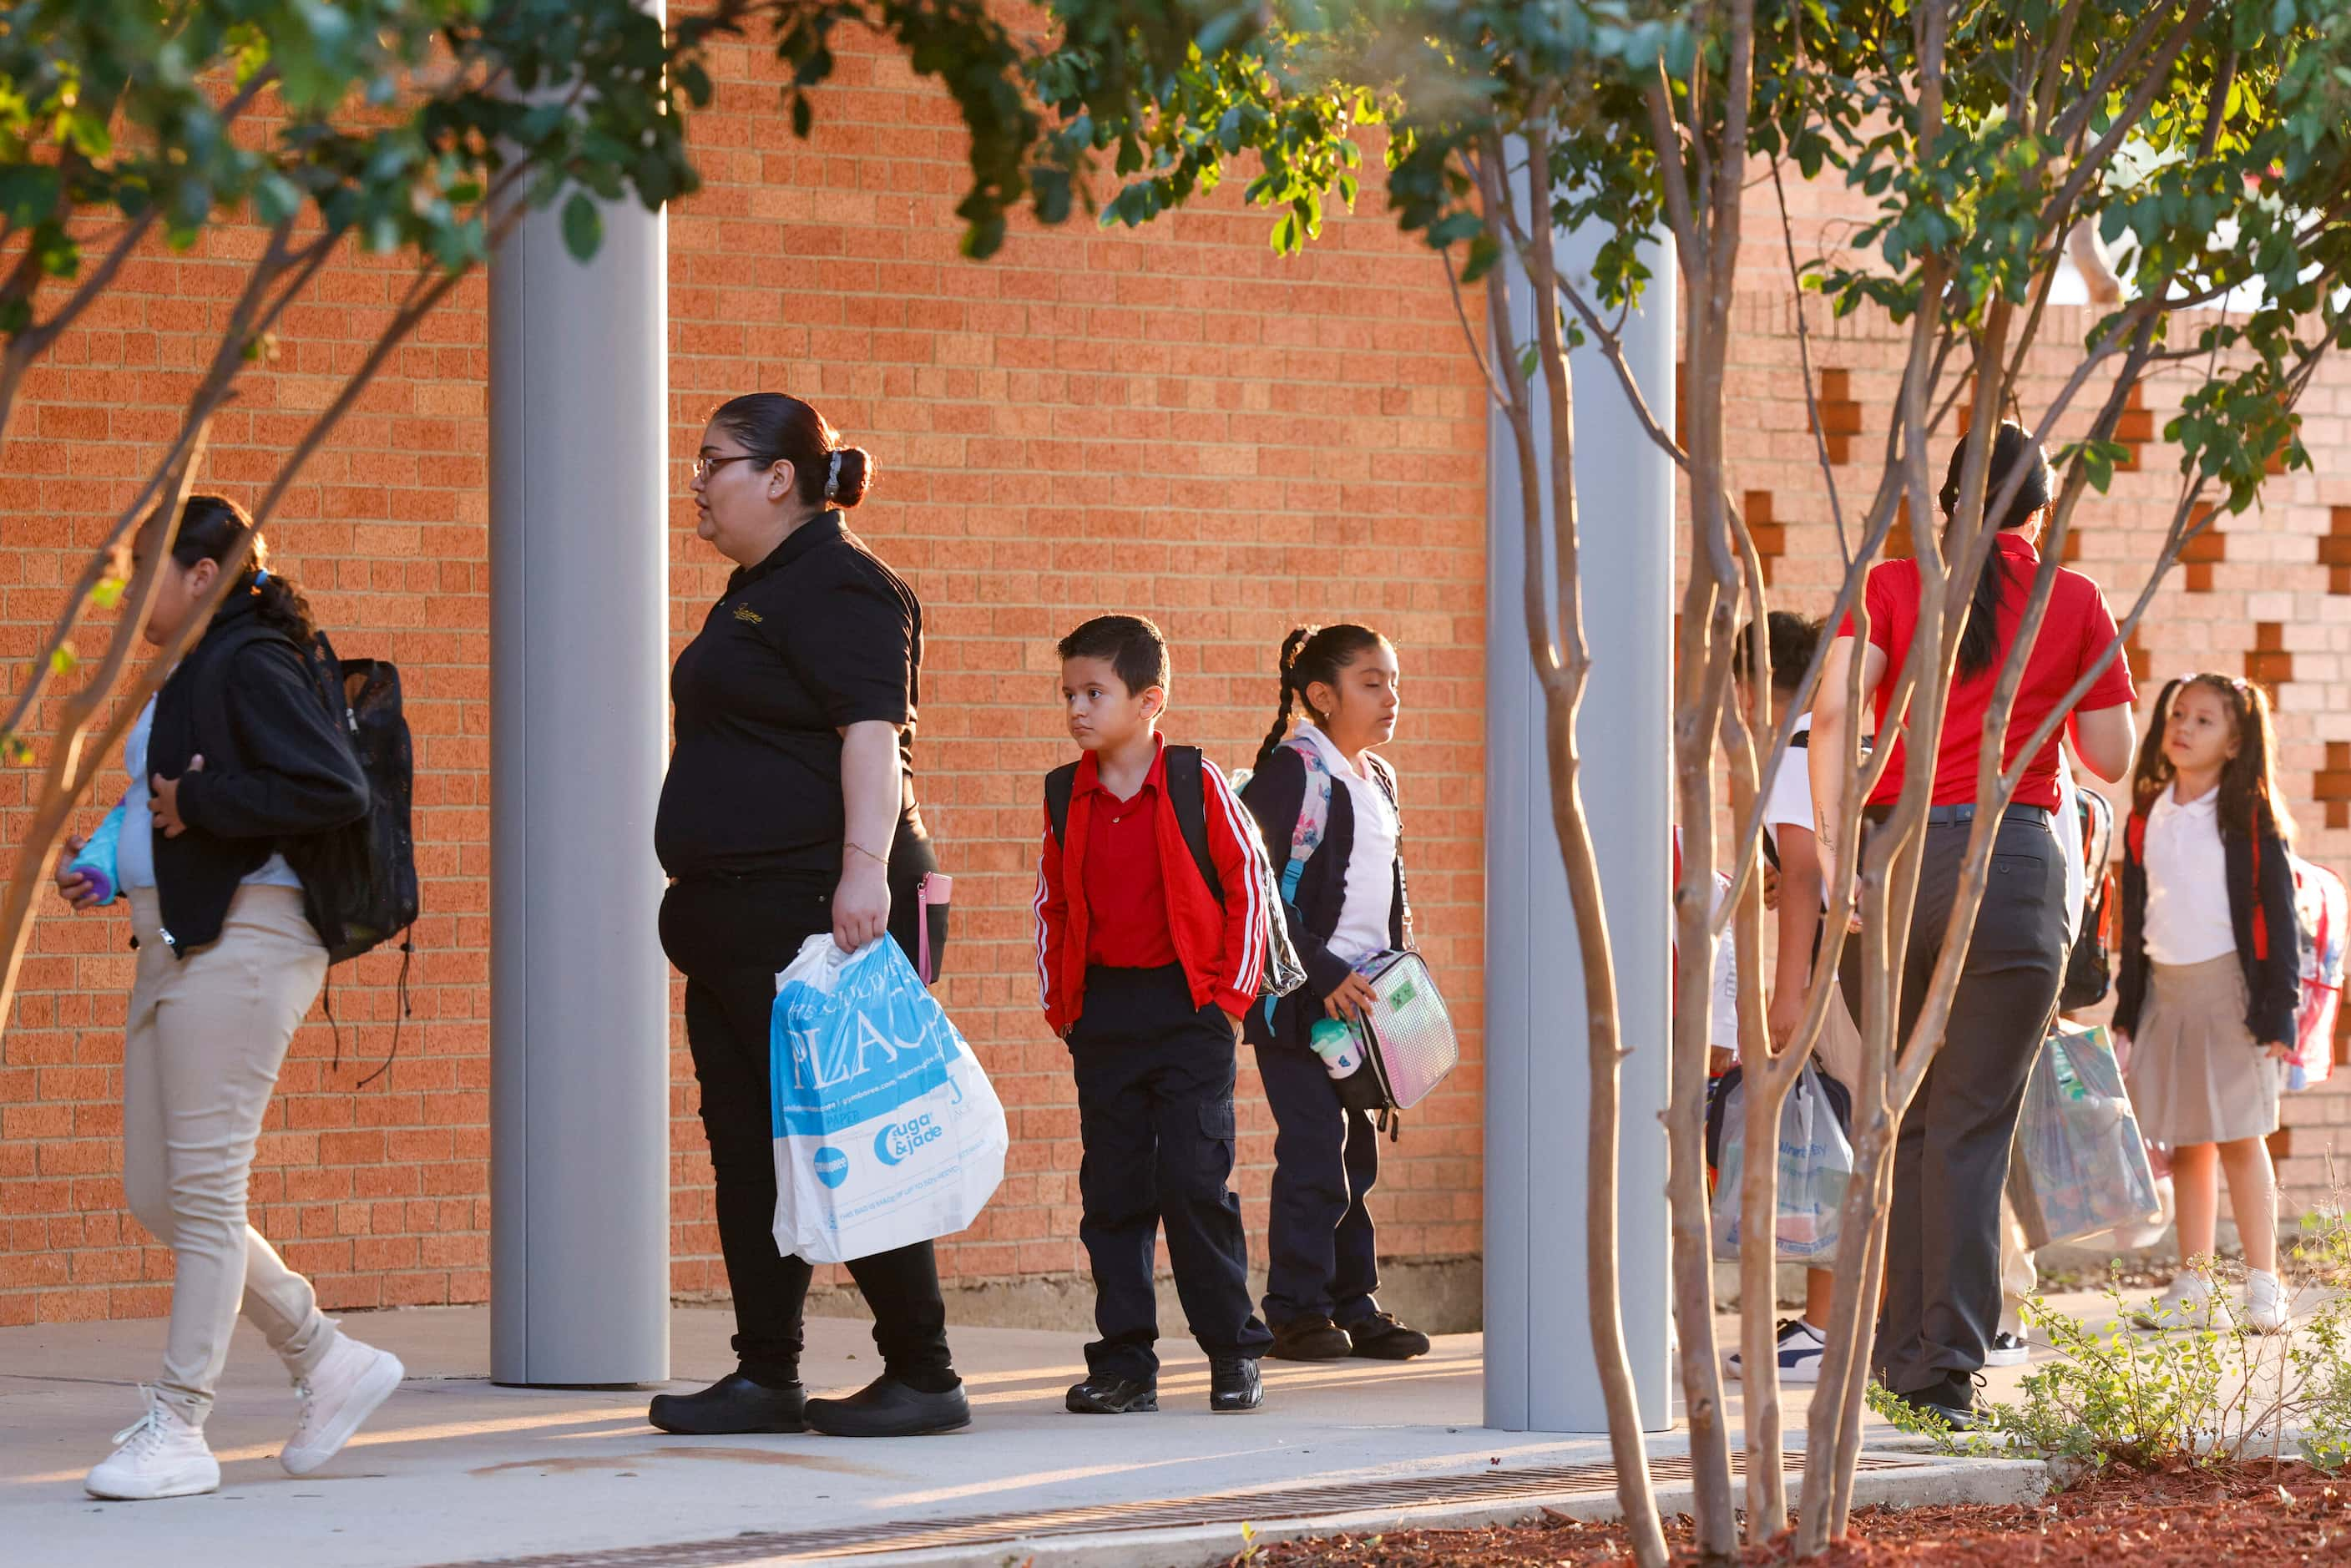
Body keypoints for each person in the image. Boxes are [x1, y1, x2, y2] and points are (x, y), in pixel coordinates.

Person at [54, 496, 398, 1500]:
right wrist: (105, 862)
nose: (126, 590)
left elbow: (333, 787)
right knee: (158, 1191)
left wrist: (194, 807)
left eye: (141, 568)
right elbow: (152, 798)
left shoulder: (250, 658)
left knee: (203, 1188)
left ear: (202, 573)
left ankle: (180, 1426)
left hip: (249, 938)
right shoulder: (195, 666)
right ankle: (328, 1357)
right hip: (181, 936)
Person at [651, 392, 968, 1439]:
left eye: (713, 462)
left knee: (850, 1133)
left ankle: (924, 1374)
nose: (695, 480)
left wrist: (862, 875)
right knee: (748, 1149)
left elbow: (870, 736)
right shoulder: (760, 587)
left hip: (821, 912)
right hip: (735, 919)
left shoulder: (840, 583)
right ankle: (766, 1373)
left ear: (779, 476)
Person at [1811, 421, 2138, 1429]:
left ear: (1944, 500)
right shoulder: (2073, 597)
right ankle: (1943, 1366)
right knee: (1971, 1119)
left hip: (1897, 854)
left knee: (1904, 1108)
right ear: (2040, 507)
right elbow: (2110, 756)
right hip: (2015, 855)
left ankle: (1901, 1353)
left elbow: (1829, 716)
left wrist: (1834, 862)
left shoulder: (1892, 585)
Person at [1034, 615, 1276, 1414]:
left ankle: (1234, 1353)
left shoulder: (1193, 780)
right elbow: (1055, 903)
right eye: (1069, 692)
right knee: (1113, 1192)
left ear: (1149, 701)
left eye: (1093, 692)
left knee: (1194, 1182)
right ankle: (1126, 1365)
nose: (1077, 707)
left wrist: (1229, 1001)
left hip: (1189, 1010)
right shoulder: (1066, 791)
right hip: (1104, 1015)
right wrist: (1062, 1003)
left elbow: (1253, 888)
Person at [1237, 625, 1433, 1363]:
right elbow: (1257, 893)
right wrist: (1324, 974)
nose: (1390, 697)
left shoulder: (1377, 777)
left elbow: (1382, 897)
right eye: (1371, 683)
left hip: (1367, 1010)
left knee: (1358, 1159)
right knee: (1316, 1154)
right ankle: (1295, 1310)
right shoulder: (1294, 774)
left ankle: (1355, 1304)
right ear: (1322, 695)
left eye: (1393, 681)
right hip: (1298, 1004)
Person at [2115, 675, 2299, 1335]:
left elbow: (2280, 918)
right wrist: (2128, 1013)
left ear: (2236, 741)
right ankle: (2192, 1284)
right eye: (2178, 714)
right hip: (2168, 991)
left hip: (2232, 993)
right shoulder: (2146, 812)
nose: (2184, 728)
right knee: (2188, 1139)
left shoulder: (2247, 816)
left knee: (2240, 1136)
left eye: (2204, 720)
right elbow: (2134, 920)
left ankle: (2263, 1285)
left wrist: (2280, 1011)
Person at [1722, 609, 1858, 1386]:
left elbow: (1806, 873)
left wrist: (1787, 990)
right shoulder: (1844, 744)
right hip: (1880, 968)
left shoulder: (1796, 750)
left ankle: (1822, 1327)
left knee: (1831, 1139)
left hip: (1837, 977)